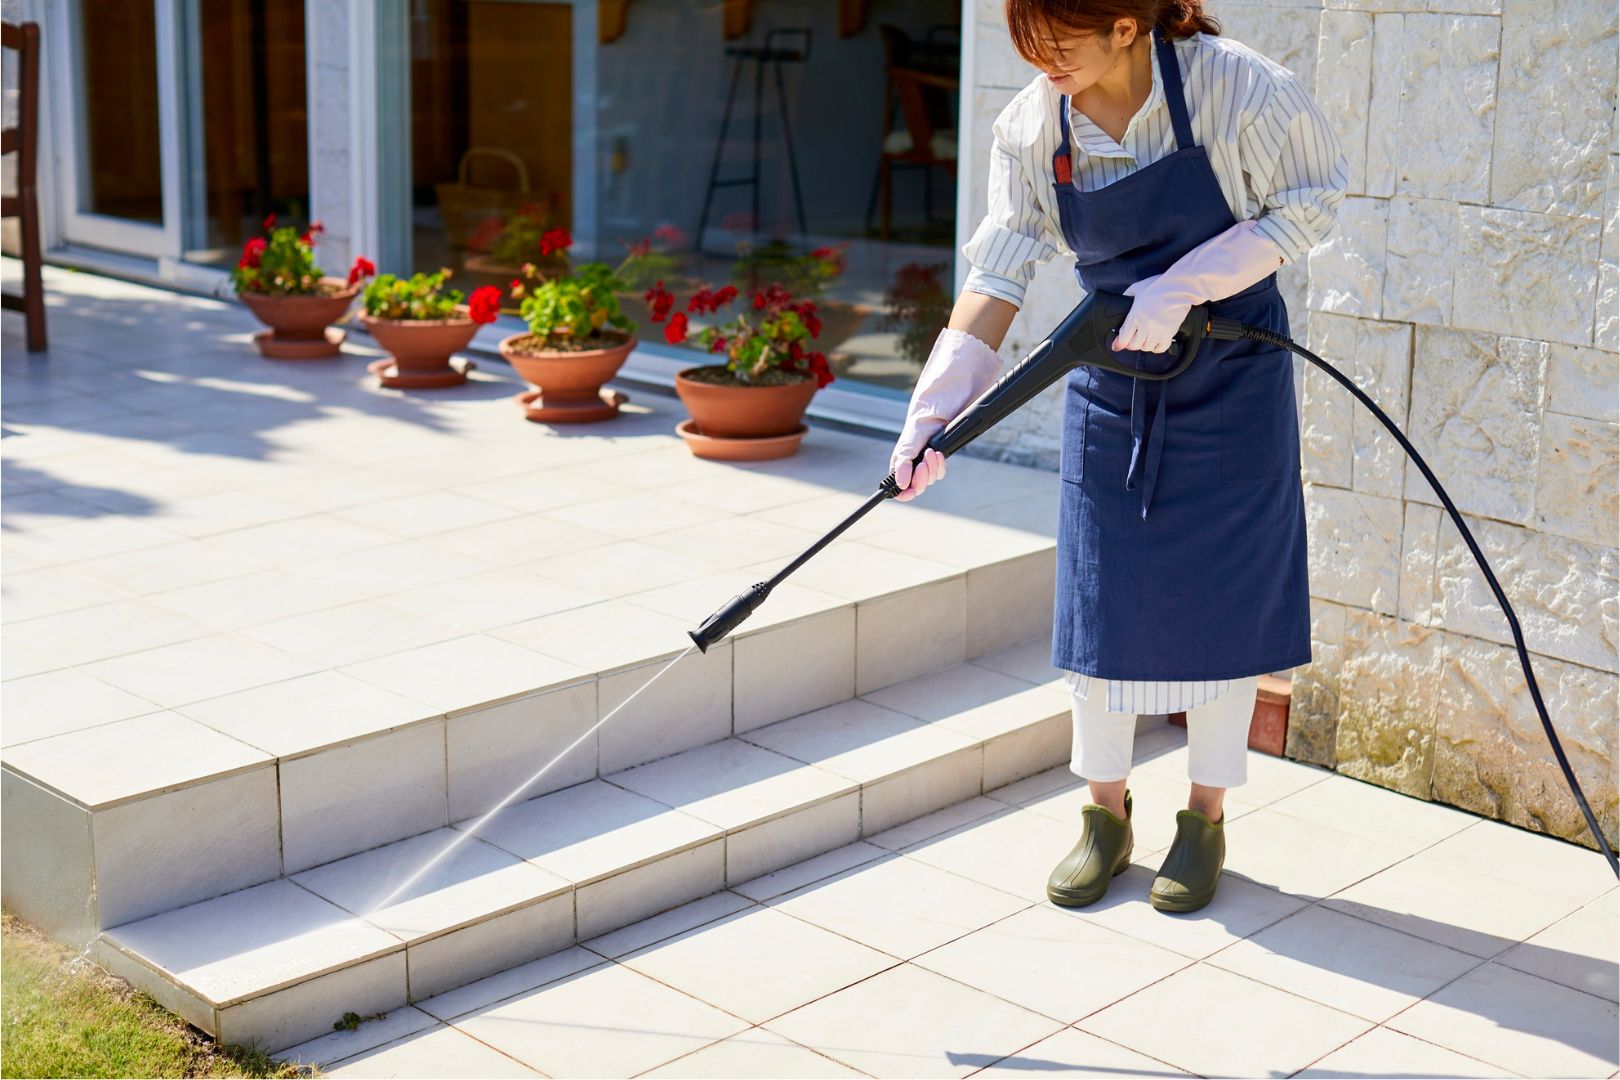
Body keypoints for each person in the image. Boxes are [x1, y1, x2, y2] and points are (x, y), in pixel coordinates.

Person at [889, 0, 1348, 913]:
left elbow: (1309, 204)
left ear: (1129, 27)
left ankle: (1204, 818)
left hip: (1234, 372)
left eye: (1059, 44)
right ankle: (1104, 815)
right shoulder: (1033, 123)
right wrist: (934, 406)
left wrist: (1187, 285)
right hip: (1110, 373)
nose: (1039, 63)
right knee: (1101, 602)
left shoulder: (1238, 88)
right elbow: (999, 268)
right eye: (1026, 44)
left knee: (1222, 603)